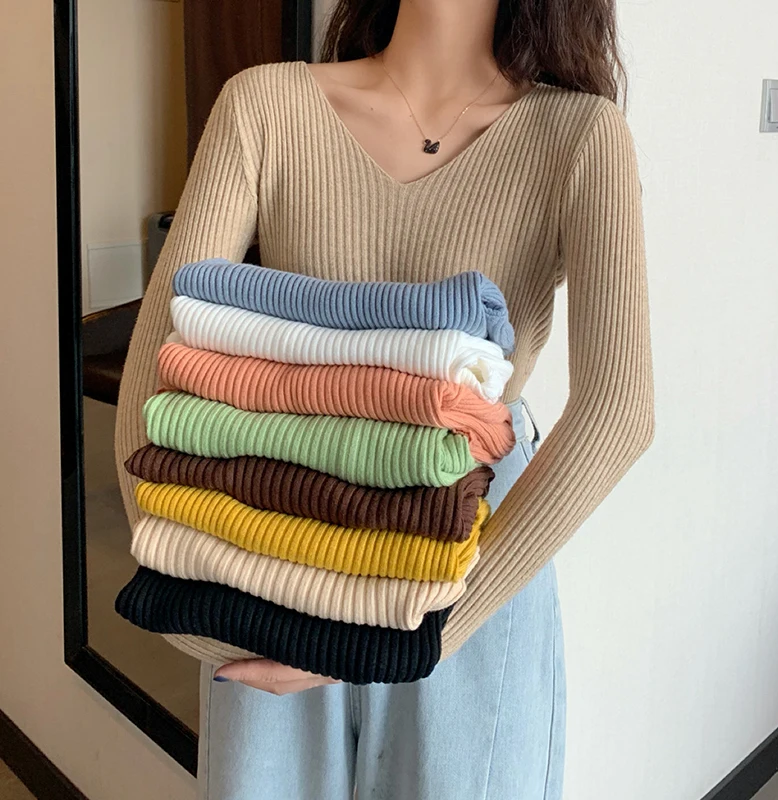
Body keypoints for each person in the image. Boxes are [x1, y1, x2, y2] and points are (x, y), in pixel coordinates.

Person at [115, 0, 656, 797]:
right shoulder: (265, 105)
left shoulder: (580, 136)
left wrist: (429, 630)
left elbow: (620, 410)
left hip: (472, 553)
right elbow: (156, 379)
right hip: (274, 536)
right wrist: (213, 610)